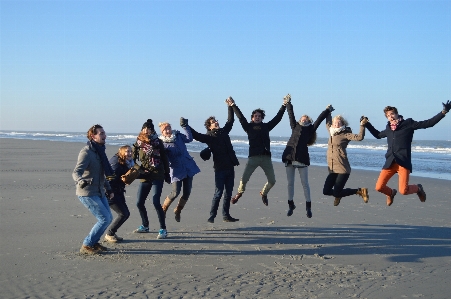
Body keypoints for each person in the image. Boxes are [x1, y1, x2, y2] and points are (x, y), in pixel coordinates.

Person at [363, 101, 450, 206]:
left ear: (397, 114)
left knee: (404, 191)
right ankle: (391, 193)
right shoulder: (388, 128)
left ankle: (418, 188)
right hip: (390, 161)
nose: (391, 117)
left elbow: (428, 123)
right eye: (388, 116)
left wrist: (443, 112)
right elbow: (377, 135)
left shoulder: (408, 124)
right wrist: (367, 124)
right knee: (379, 187)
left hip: (403, 162)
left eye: (392, 114)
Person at [189, 97, 240, 223]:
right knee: (218, 193)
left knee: (228, 194)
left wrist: (230, 106)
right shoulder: (209, 137)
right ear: (209, 127)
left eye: (216, 120)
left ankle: (226, 215)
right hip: (220, 169)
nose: (216, 122)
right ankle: (212, 216)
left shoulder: (224, 132)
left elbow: (230, 120)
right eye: (213, 122)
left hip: (230, 167)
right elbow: (196, 135)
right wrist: (186, 126)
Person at [281, 95, 332, 218]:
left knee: (305, 183)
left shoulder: (310, 129)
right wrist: (288, 103)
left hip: (302, 159)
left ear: (309, 120)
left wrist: (327, 110)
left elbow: (319, 119)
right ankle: (290, 205)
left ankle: (308, 207)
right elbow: (290, 114)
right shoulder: (295, 126)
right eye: (302, 118)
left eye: (306, 118)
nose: (303, 119)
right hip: (290, 157)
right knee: (290, 183)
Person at [230, 96, 287, 206]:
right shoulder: (248, 127)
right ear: (252, 117)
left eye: (259, 116)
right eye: (255, 116)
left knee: (272, 181)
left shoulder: (266, 126)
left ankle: (264, 193)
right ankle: (239, 193)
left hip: (266, 158)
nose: (257, 117)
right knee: (244, 179)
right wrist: (233, 105)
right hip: (253, 158)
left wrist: (284, 105)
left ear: (262, 118)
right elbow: (241, 117)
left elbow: (277, 118)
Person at [73, 124, 114, 255]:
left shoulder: (100, 151)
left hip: (100, 191)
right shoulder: (86, 152)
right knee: (104, 218)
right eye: (101, 133)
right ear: (93, 136)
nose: (104, 135)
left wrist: (109, 189)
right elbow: (76, 172)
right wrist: (80, 181)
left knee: (108, 218)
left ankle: (94, 242)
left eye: (104, 133)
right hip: (87, 192)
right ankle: (87, 245)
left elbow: (102, 174)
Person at [133, 119, 171, 239]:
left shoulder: (158, 142)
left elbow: (164, 159)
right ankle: (145, 225)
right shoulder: (138, 143)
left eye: (148, 129)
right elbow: (131, 161)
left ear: (152, 130)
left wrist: (167, 174)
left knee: (155, 201)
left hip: (157, 174)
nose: (146, 131)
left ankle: (163, 229)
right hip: (145, 175)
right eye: (144, 129)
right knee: (139, 202)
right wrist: (140, 169)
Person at [159, 118, 200, 222]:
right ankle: (163, 209)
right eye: (165, 129)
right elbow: (163, 159)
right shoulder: (161, 144)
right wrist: (165, 172)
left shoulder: (178, 136)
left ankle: (178, 210)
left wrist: (185, 126)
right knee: (175, 192)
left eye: (169, 128)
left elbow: (189, 139)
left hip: (187, 166)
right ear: (162, 132)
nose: (168, 130)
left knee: (187, 192)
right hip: (175, 170)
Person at [323, 113, 369, 206]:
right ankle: (339, 194)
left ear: (343, 124)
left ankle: (359, 191)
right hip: (332, 168)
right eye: (335, 123)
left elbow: (359, 137)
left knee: (336, 192)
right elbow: (327, 122)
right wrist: (328, 111)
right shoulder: (331, 131)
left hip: (342, 168)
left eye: (339, 123)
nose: (336, 124)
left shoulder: (345, 134)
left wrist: (362, 125)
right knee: (326, 191)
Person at [104, 145, 133, 243]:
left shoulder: (127, 162)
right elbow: (109, 179)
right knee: (123, 214)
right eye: (127, 151)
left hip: (119, 192)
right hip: (111, 193)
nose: (129, 153)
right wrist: (109, 192)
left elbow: (129, 174)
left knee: (125, 214)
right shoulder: (116, 163)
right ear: (121, 152)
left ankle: (111, 233)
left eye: (130, 151)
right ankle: (109, 234)